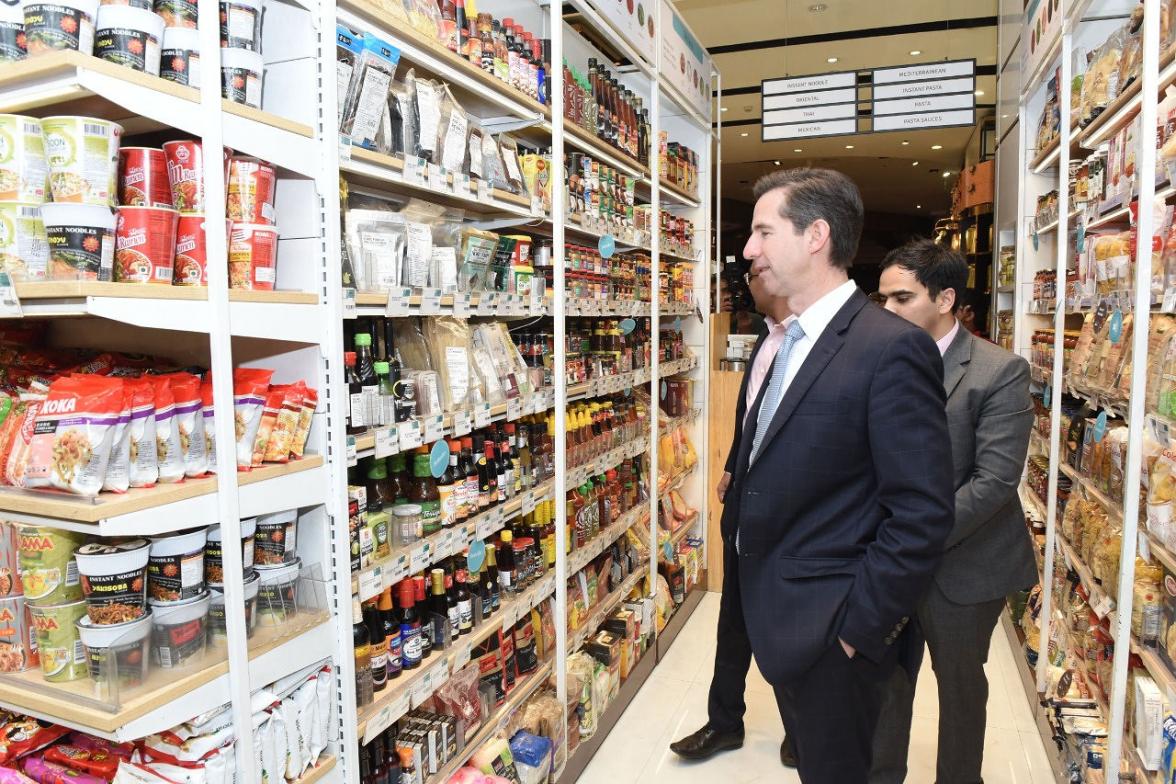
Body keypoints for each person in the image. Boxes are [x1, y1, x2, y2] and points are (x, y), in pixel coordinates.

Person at [706, 167, 956, 782]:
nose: (748, 249)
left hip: (835, 638)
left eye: (764, 232)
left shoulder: (889, 348)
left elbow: (922, 513)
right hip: (779, 621)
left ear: (815, 236)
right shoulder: (785, 341)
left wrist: (855, 632)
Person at [870, 239, 1036, 784]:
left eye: (901, 299)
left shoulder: (999, 371)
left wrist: (912, 537)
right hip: (891, 559)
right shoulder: (878, 364)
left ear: (944, 299)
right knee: (887, 680)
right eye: (883, 299)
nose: (887, 312)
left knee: (961, 686)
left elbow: (993, 483)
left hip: (964, 564)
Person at [669, 265, 798, 768]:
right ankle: (724, 723)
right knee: (733, 622)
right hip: (745, 501)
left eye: (758, 272)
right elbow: (752, 419)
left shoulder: (809, 345)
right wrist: (729, 467)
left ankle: (799, 727)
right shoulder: (766, 338)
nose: (747, 282)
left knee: (785, 625)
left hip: (786, 512)